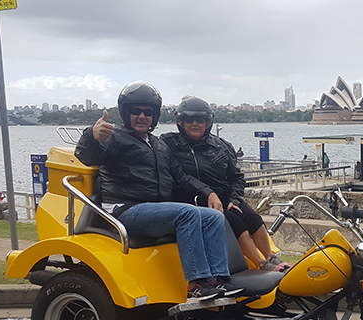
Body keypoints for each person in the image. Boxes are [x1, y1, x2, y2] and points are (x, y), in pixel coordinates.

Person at [74, 82, 242, 300]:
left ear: (155, 116)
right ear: (126, 113)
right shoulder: (114, 137)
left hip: (153, 209)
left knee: (212, 217)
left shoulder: (159, 144)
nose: (142, 116)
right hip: (125, 209)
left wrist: (209, 193)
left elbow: (181, 177)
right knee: (187, 213)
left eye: (148, 112)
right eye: (136, 112)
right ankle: (196, 285)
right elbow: (86, 156)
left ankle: (218, 279)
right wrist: (92, 135)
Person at [161, 96, 289, 272]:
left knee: (251, 217)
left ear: (208, 123)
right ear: (180, 122)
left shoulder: (222, 146)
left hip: (224, 195)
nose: (195, 123)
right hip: (195, 197)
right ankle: (260, 262)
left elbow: (236, 177)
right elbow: (179, 177)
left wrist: (234, 200)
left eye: (200, 120)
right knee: (234, 219)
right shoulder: (169, 144)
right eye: (189, 119)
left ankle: (271, 257)